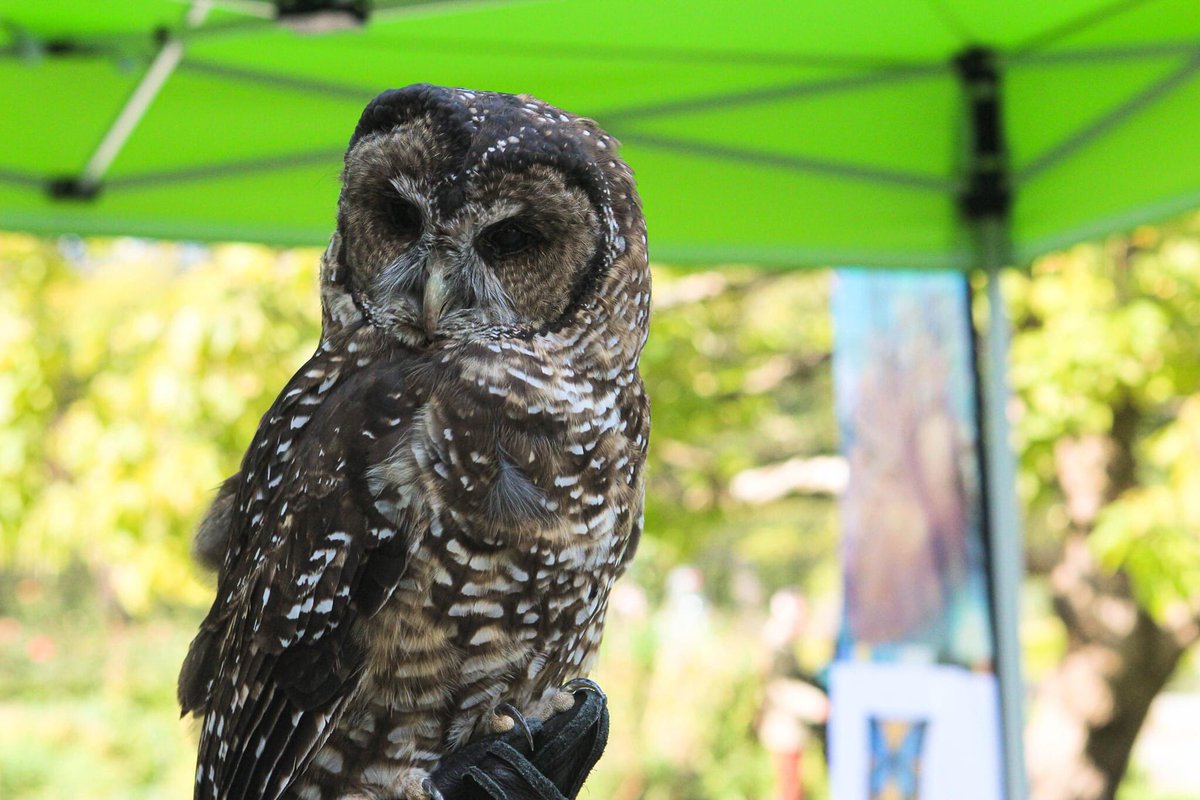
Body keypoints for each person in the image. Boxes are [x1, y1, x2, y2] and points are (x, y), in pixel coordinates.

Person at [755, 589, 830, 800]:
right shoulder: (776, 646)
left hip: (790, 726)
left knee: (791, 782)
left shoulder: (784, 646)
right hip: (783, 727)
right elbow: (780, 686)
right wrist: (814, 703)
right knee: (789, 784)